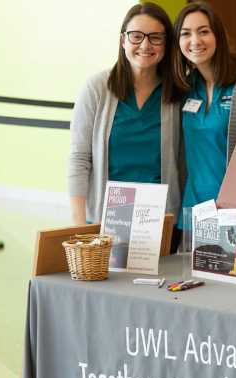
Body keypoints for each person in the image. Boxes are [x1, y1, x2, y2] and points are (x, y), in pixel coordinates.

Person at [68, 2, 183, 225]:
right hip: (105, 219)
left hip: (159, 219)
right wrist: (79, 224)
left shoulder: (177, 93)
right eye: (136, 36)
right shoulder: (97, 88)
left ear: (166, 43)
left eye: (155, 37)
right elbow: (79, 157)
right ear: (123, 40)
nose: (145, 44)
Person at [172, 1, 236, 240]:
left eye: (203, 31)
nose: (195, 41)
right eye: (186, 34)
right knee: (195, 277)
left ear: (218, 36)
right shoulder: (185, 88)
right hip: (195, 211)